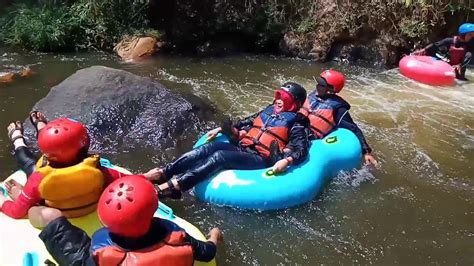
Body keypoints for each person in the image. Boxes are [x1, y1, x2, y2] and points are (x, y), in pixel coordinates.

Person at [147, 82, 310, 198]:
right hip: (243, 147)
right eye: (278, 96)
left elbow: (301, 149)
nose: (278, 100)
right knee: (207, 149)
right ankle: (164, 173)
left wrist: (287, 160)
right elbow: (247, 121)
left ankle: (174, 187)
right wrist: (219, 129)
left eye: (284, 98)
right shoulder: (269, 110)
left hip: (262, 158)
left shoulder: (297, 122)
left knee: (220, 157)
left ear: (294, 103)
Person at [33, 175, 222, 265]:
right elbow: (207, 253)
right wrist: (213, 235)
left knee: (51, 216)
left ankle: (21, 201)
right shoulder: (176, 237)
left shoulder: (101, 253)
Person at [0, 111, 153, 219]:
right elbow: (130, 180)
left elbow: (17, 211)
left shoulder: (38, 179)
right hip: (91, 208)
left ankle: (17, 137)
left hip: (58, 215)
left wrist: (3, 200)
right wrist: (148, 176)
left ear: (45, 154)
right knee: (54, 146)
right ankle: (42, 127)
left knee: (28, 163)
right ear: (84, 144)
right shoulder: (97, 170)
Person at [300, 70, 377, 166]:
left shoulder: (338, 108)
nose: (317, 86)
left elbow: (353, 128)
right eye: (318, 83)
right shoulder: (313, 96)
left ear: (331, 89)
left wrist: (366, 152)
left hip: (308, 137)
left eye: (321, 84)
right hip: (297, 128)